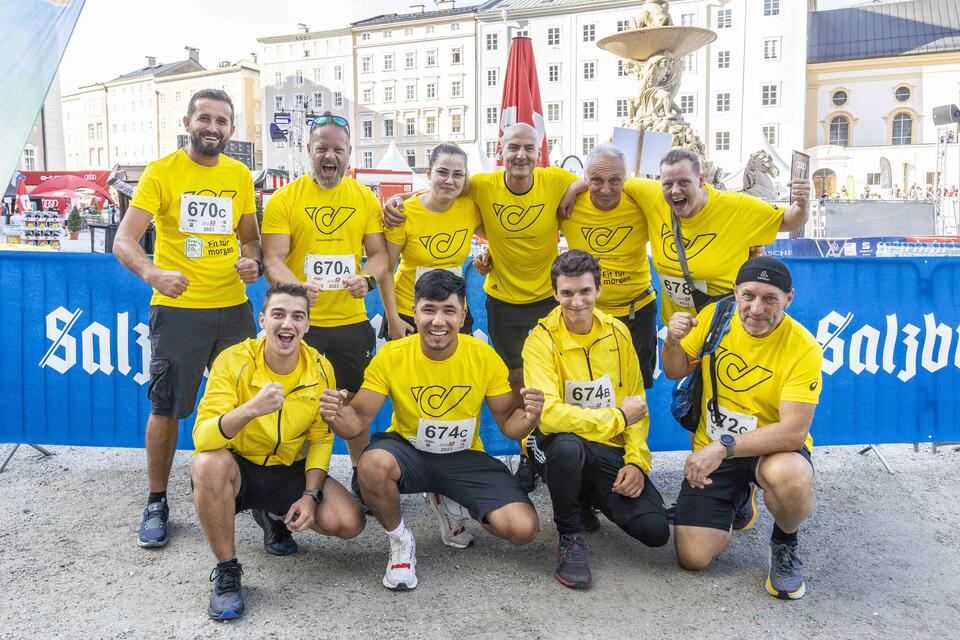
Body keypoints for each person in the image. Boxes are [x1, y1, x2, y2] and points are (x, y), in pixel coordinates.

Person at [319, 270, 543, 591]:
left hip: (464, 458)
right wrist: (336, 414)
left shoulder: (482, 355)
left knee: (523, 529)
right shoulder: (392, 356)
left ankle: (449, 500)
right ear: (414, 311)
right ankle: (400, 542)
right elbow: (358, 419)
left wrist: (531, 416)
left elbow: (509, 423)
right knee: (372, 465)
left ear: (463, 314)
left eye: (449, 311)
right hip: (409, 452)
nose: (438, 320)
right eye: (429, 310)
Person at [113, 89, 262, 548]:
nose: (212, 128)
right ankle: (157, 500)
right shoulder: (161, 172)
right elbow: (124, 240)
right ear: (188, 121)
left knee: (248, 405)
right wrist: (153, 272)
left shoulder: (239, 175)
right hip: (178, 311)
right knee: (167, 407)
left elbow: (251, 242)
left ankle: (259, 502)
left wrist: (251, 262)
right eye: (205, 119)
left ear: (231, 129)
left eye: (221, 121)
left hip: (233, 309)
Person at [191, 283, 365, 620]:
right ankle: (227, 572)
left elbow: (321, 438)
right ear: (262, 319)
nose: (288, 324)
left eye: (297, 317)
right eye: (279, 315)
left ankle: (272, 515)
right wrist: (251, 409)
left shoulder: (320, 368)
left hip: (288, 468)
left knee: (350, 522)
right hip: (238, 467)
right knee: (208, 464)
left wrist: (311, 495)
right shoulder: (233, 360)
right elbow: (202, 436)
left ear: (307, 325)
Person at [661, 257, 821, 600]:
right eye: (748, 295)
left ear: (788, 298)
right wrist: (672, 341)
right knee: (692, 557)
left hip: (768, 450)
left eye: (770, 299)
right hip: (717, 450)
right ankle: (741, 500)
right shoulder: (716, 317)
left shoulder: (803, 346)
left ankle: (785, 542)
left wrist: (722, 447)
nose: (756, 308)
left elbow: (793, 432)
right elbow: (674, 371)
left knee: (790, 476)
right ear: (735, 292)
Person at [384, 123, 579, 402]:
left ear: (539, 152)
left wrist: (574, 189)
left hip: (546, 298)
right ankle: (525, 439)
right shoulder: (481, 185)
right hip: (493, 303)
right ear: (500, 149)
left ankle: (553, 435)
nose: (521, 155)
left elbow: (596, 181)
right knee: (511, 376)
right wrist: (398, 198)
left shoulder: (557, 179)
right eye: (513, 147)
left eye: (528, 148)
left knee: (556, 370)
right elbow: (437, 192)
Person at [262, 111, 394, 513]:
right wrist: (297, 291)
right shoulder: (286, 198)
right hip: (301, 327)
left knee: (354, 408)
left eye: (338, 149)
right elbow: (273, 257)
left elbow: (379, 255)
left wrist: (367, 280)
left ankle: (362, 475)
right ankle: (291, 486)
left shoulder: (363, 197)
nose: (330, 156)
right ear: (309, 151)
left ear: (349, 153)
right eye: (322, 148)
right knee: (295, 408)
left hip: (350, 324)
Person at [522, 251, 668, 589]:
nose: (577, 301)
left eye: (585, 291)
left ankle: (587, 496)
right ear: (555, 294)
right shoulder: (540, 340)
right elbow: (549, 414)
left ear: (598, 290)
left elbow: (637, 405)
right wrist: (615, 419)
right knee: (568, 448)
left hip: (606, 447)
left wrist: (636, 462)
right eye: (567, 293)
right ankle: (569, 533)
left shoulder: (618, 333)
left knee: (656, 531)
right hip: (557, 444)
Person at [620, 148, 810, 325]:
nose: (675, 190)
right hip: (680, 328)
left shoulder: (736, 207)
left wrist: (801, 204)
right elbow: (613, 177)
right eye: (667, 184)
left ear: (701, 180)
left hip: (722, 327)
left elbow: (789, 221)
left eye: (684, 182)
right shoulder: (653, 196)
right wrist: (588, 184)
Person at [560, 144, 657, 388]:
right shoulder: (567, 205)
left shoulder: (640, 202)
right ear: (585, 178)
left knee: (636, 388)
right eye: (596, 180)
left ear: (626, 178)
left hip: (637, 313)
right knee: (588, 387)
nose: (605, 189)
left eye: (615, 180)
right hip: (586, 314)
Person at [383, 143, 481, 339]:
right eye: (442, 172)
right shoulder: (403, 213)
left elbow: (500, 233)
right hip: (409, 311)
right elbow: (386, 269)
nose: (449, 180)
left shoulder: (470, 208)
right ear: (428, 174)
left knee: (457, 369)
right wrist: (393, 319)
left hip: (453, 309)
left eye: (457, 174)